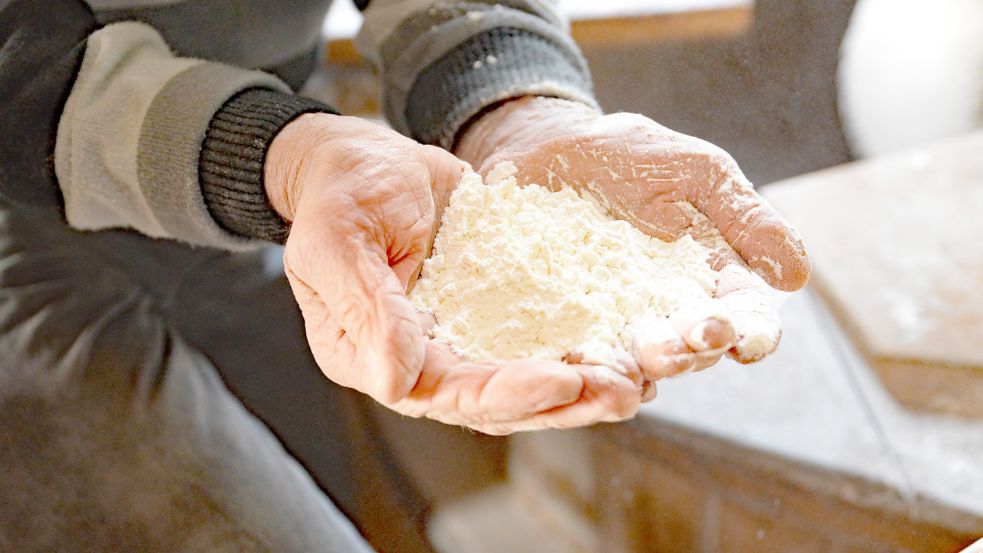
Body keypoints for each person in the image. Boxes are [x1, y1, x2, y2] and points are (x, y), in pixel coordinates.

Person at [0, 0, 810, 550]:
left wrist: (507, 97)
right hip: (23, 230)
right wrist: (274, 154)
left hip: (259, 177)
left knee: (363, 498)